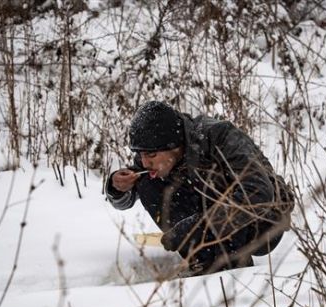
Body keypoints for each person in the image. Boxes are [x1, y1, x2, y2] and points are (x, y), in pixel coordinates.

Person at [105, 101, 294, 276]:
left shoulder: (220, 136)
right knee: (147, 182)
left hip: (264, 220)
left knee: (219, 189)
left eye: (151, 155)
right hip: (210, 218)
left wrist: (201, 225)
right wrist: (117, 188)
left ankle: (229, 271)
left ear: (173, 145)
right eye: (140, 154)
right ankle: (202, 261)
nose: (144, 162)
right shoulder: (153, 157)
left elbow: (258, 193)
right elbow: (125, 201)